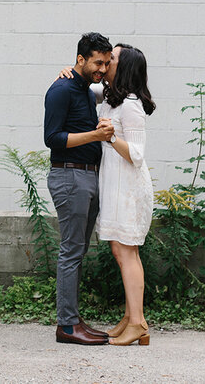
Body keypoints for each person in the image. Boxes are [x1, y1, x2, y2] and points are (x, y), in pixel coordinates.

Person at [59, 43, 156, 346]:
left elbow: (137, 155)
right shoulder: (111, 99)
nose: (104, 63)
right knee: (120, 250)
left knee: (127, 252)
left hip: (129, 188)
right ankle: (129, 318)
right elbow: (85, 86)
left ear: (122, 67)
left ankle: (138, 323)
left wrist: (111, 137)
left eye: (110, 59)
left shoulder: (130, 105)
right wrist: (68, 72)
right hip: (115, 187)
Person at [43, 32, 114, 345]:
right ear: (81, 59)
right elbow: (53, 138)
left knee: (78, 252)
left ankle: (72, 320)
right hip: (69, 176)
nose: (102, 68)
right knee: (71, 251)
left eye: (106, 63)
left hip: (88, 176)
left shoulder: (86, 89)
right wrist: (94, 137)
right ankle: (67, 326)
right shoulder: (61, 90)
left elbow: (117, 86)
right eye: (97, 62)